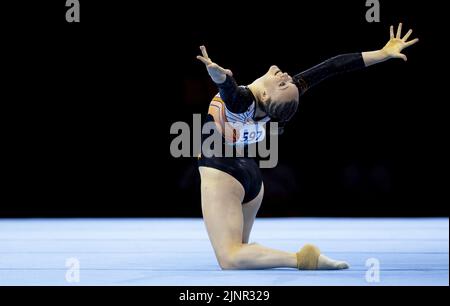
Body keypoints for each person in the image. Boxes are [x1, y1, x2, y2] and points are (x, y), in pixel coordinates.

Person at [196, 23, 418, 270]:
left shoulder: (245, 102)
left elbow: (231, 94)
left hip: (222, 173)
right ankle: (270, 255)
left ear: (267, 97)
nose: (286, 77)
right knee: (242, 252)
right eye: (289, 81)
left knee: (230, 259)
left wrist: (220, 77)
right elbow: (333, 66)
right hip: (250, 177)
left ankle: (303, 259)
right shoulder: (269, 111)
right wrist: (383, 54)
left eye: (283, 84)